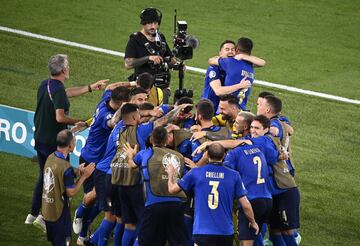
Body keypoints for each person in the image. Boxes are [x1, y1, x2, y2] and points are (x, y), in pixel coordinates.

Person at [25, 54, 107, 232]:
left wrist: (90, 87)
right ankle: (46, 218)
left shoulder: (45, 84)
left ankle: (32, 213)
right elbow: (60, 116)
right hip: (54, 142)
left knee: (45, 175)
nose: (69, 68)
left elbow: (65, 93)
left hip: (40, 138)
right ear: (63, 70)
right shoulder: (58, 89)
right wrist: (78, 122)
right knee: (59, 181)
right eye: (67, 65)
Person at [166, 143, 259, 246]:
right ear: (224, 156)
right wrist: (253, 221)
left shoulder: (196, 172)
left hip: (203, 231)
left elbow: (172, 190)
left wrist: (171, 174)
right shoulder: (234, 175)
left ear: (207, 155)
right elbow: (245, 204)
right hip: (225, 231)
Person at [72, 85, 130, 244]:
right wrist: (124, 109)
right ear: (120, 104)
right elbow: (112, 122)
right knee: (96, 196)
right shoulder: (107, 114)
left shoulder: (106, 99)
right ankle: (80, 214)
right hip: (92, 160)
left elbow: (110, 87)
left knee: (102, 201)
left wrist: (132, 84)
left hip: (99, 159)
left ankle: (85, 233)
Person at [123, 126, 188, 245]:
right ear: (167, 139)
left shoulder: (144, 154)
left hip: (154, 205)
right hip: (177, 205)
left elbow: (131, 165)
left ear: (151, 140)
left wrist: (131, 155)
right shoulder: (179, 156)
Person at [256, 96, 300, 246]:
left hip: (283, 184)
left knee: (286, 230)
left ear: (268, 109)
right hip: (273, 185)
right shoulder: (282, 121)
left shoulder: (274, 125)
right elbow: (289, 129)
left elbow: (275, 130)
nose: (257, 106)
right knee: (275, 229)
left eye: (259, 104)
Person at [41, 129, 95, 246]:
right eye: (74, 141)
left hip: (47, 210)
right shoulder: (65, 166)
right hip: (59, 214)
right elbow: (71, 192)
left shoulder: (51, 157)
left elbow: (58, 173)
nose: (75, 143)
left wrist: (77, 171)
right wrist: (84, 176)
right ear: (70, 145)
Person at [124, 7, 176, 104]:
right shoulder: (135, 39)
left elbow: (171, 59)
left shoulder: (160, 38)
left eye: (155, 23)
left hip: (162, 88)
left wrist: (177, 62)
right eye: (149, 23)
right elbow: (128, 64)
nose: (153, 26)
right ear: (143, 23)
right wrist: (148, 58)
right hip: (144, 89)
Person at [209, 37, 266, 110]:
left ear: (237, 49)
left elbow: (211, 61)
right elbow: (262, 63)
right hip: (241, 110)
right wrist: (244, 56)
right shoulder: (251, 66)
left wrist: (221, 57)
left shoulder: (230, 62)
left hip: (226, 110)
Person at [201, 40, 251, 114]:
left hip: (223, 111)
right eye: (227, 49)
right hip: (208, 110)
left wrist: (243, 56)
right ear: (220, 53)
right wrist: (240, 85)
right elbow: (218, 91)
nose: (230, 51)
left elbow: (261, 63)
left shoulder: (234, 68)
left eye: (233, 49)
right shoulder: (214, 68)